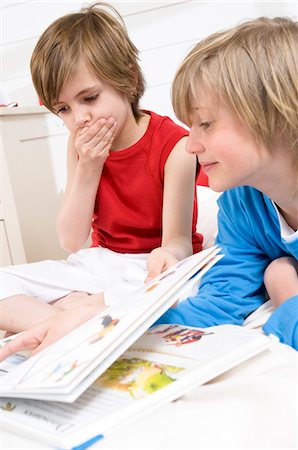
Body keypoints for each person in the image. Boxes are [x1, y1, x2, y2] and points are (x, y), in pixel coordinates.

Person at [0, 3, 202, 345]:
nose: (79, 118)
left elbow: (178, 244)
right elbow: (71, 240)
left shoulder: (175, 147)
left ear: (128, 79)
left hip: (153, 266)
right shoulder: (78, 145)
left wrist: (164, 261)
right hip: (99, 264)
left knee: (179, 288)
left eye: (89, 98)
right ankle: (74, 321)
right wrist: (89, 167)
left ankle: (74, 316)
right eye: (63, 109)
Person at [154, 16, 298, 350]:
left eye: (205, 123)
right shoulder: (241, 203)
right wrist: (113, 324)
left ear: (278, 116)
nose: (190, 145)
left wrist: (285, 292)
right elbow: (221, 300)